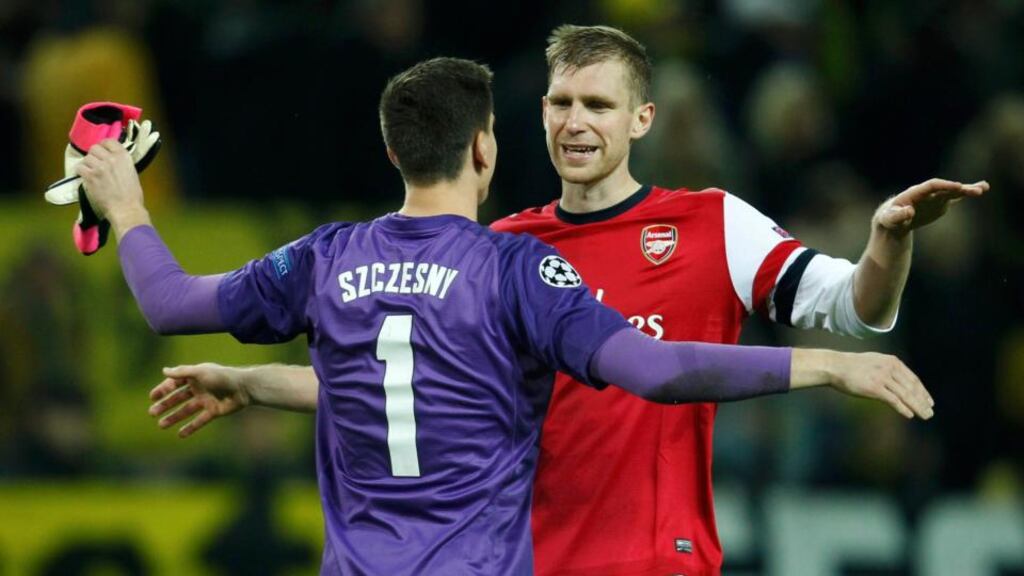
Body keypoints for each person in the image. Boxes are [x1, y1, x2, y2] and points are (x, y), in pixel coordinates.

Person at [128, 32, 962, 576]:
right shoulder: (510, 252)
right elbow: (435, 383)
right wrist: (255, 384)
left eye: (598, 105)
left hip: (654, 560)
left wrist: (887, 241)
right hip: (529, 557)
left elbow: (854, 307)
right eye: (561, 103)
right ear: (526, 120)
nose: (575, 122)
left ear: (641, 118)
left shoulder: (714, 223)